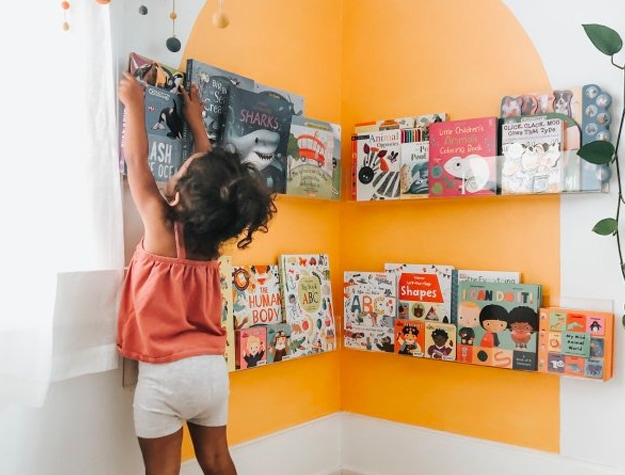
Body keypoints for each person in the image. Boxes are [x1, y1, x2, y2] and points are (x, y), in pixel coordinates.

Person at [117, 71, 276, 475]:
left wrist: (134, 104)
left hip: (165, 375)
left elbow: (137, 161)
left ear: (179, 194)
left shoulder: (161, 227)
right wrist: (196, 122)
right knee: (218, 461)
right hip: (209, 371)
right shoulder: (210, 240)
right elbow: (214, 181)